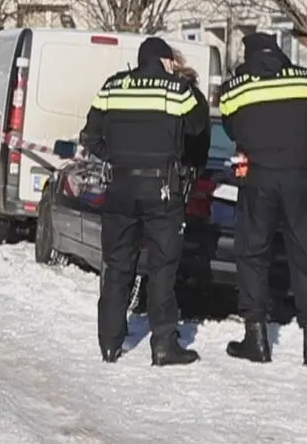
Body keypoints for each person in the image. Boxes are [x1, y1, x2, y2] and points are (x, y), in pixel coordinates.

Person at [81, 37, 212, 365]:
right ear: (166, 61)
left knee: (117, 264)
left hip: (120, 188)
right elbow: (198, 128)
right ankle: (164, 344)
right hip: (162, 190)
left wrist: (116, 158)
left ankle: (109, 342)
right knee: (162, 267)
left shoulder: (112, 87)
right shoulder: (177, 90)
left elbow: (90, 137)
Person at [215, 32, 307, 366]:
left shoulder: (236, 88)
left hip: (259, 177)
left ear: (248, 55)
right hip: (301, 176)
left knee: (252, 254)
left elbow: (231, 129)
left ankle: (256, 340)